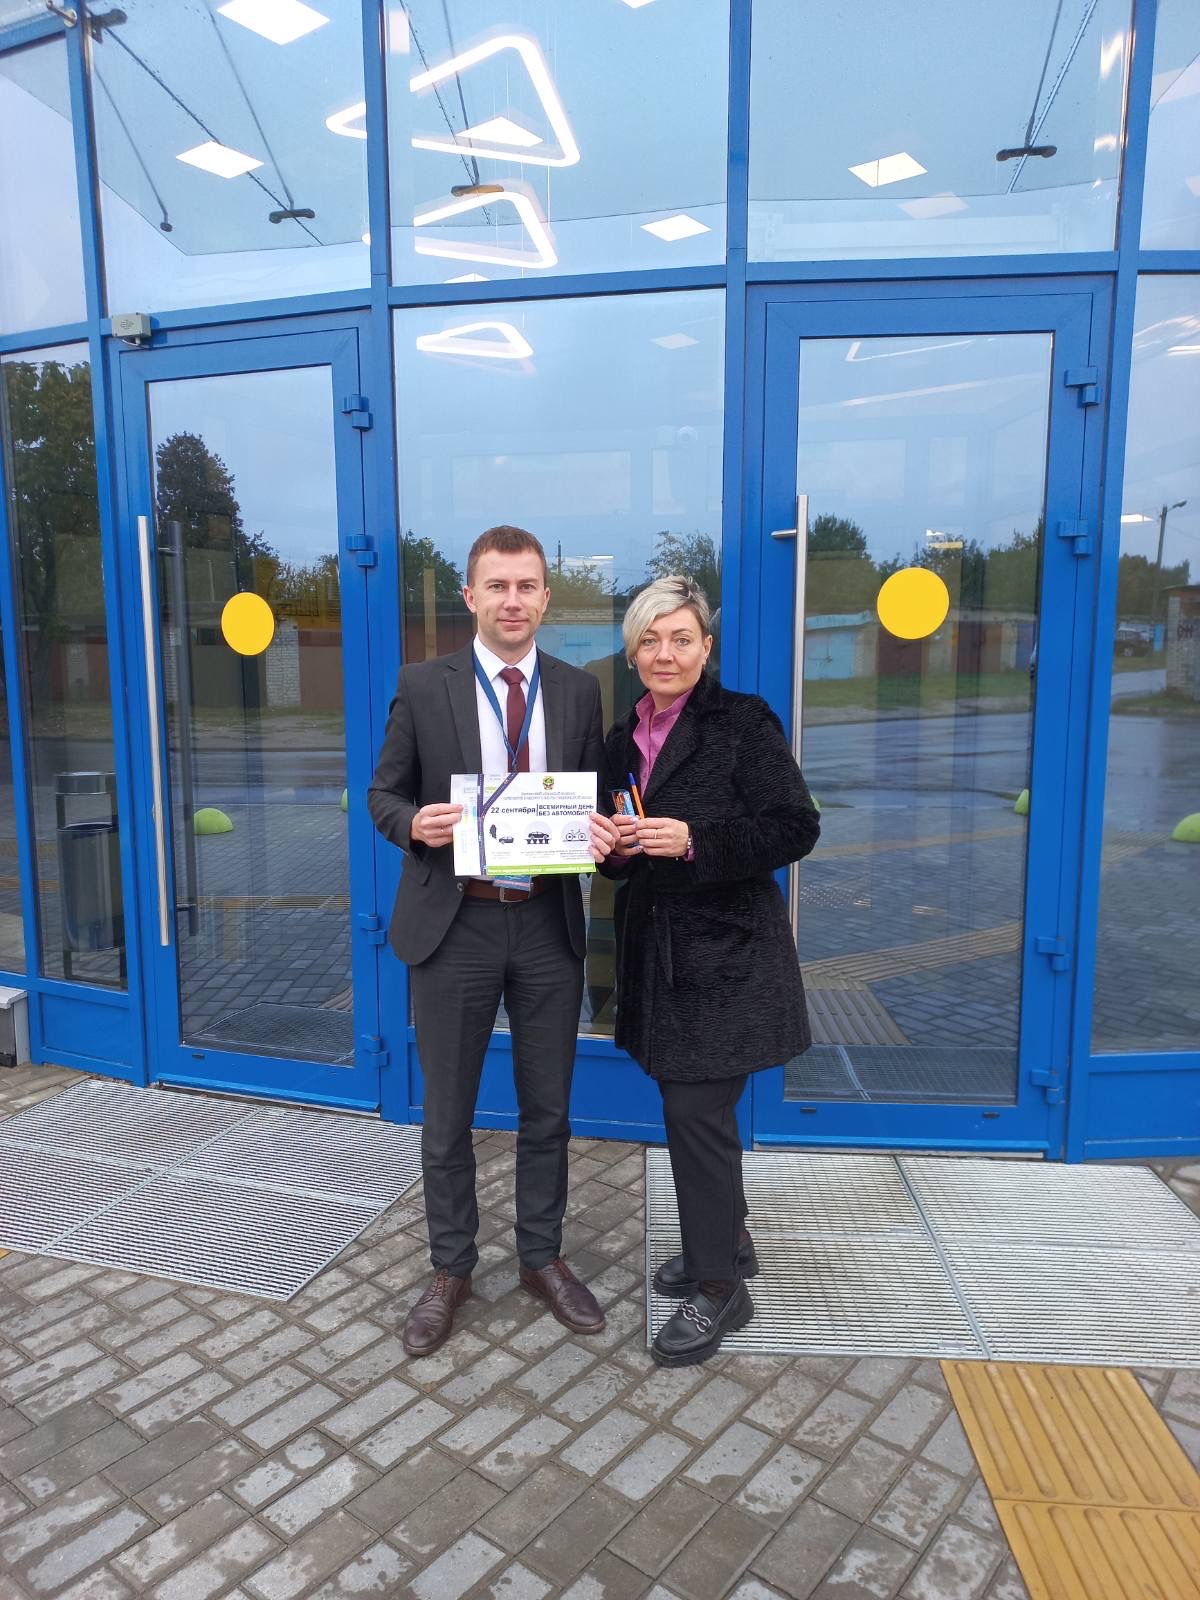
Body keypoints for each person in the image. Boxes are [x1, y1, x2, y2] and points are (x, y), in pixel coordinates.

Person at [368, 525, 620, 1358]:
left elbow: (594, 802)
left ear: (546, 598)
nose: (513, 601)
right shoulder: (422, 684)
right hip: (456, 924)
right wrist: (415, 824)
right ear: (470, 595)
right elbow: (382, 794)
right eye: (497, 586)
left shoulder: (579, 691)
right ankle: (452, 1268)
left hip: (546, 923)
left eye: (527, 586)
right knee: (447, 1114)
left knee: (549, 1108)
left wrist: (600, 830)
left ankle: (541, 1259)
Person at [601, 575, 820, 1367]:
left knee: (694, 1113)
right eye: (650, 639)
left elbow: (795, 827)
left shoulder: (742, 722)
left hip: (729, 958)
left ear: (706, 648)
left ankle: (721, 1287)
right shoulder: (621, 739)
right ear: (633, 651)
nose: (665, 653)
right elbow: (623, 855)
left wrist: (694, 841)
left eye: (681, 638)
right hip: (659, 961)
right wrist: (613, 853)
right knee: (699, 1114)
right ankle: (727, 1242)